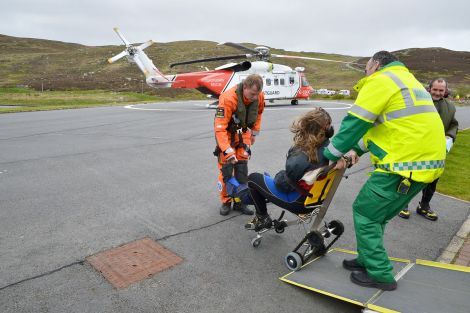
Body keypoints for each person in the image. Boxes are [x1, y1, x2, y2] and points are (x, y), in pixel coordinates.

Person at [323, 51, 446, 291]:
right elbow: (382, 131)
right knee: (376, 215)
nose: (365, 73)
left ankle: (380, 274)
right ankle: (367, 258)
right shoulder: (409, 82)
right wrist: (353, 152)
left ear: (376, 64)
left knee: (366, 212)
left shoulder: (381, 80)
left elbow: (355, 122)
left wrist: (328, 155)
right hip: (425, 165)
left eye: (366, 68)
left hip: (404, 166)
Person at [244, 108, 335, 230]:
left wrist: (279, 175)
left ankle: (262, 217)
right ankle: (264, 195)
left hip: (297, 202)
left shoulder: (303, 155)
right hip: (315, 200)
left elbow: (284, 185)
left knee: (253, 179)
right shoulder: (331, 149)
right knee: (267, 179)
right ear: (327, 128)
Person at [399, 78, 459, 220]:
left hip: (436, 153)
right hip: (415, 150)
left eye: (441, 90)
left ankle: (424, 206)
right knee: (408, 177)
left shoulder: (451, 107)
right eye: (435, 89)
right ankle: (402, 204)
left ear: (445, 91)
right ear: (429, 89)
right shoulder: (418, 103)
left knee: (432, 180)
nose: (437, 93)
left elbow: (454, 125)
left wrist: (450, 136)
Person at [214, 74, 265, 216]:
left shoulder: (259, 96)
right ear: (245, 87)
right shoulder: (228, 98)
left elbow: (259, 113)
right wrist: (227, 151)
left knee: (242, 169)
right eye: (252, 94)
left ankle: (239, 201)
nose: (255, 97)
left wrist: (254, 133)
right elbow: (220, 128)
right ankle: (226, 201)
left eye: (257, 94)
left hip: (243, 133)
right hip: (227, 135)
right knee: (227, 170)